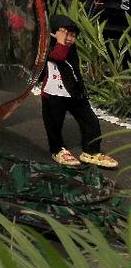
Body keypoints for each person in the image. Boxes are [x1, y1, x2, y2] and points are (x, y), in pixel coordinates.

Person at [39, 13, 118, 170]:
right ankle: (57, 149)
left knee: (90, 121)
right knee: (54, 124)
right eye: (65, 33)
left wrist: (81, 91)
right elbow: (57, 56)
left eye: (73, 35)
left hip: (74, 92)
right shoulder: (46, 46)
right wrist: (59, 40)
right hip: (53, 94)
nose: (69, 38)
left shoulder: (71, 49)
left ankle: (91, 151)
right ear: (54, 32)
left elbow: (73, 71)